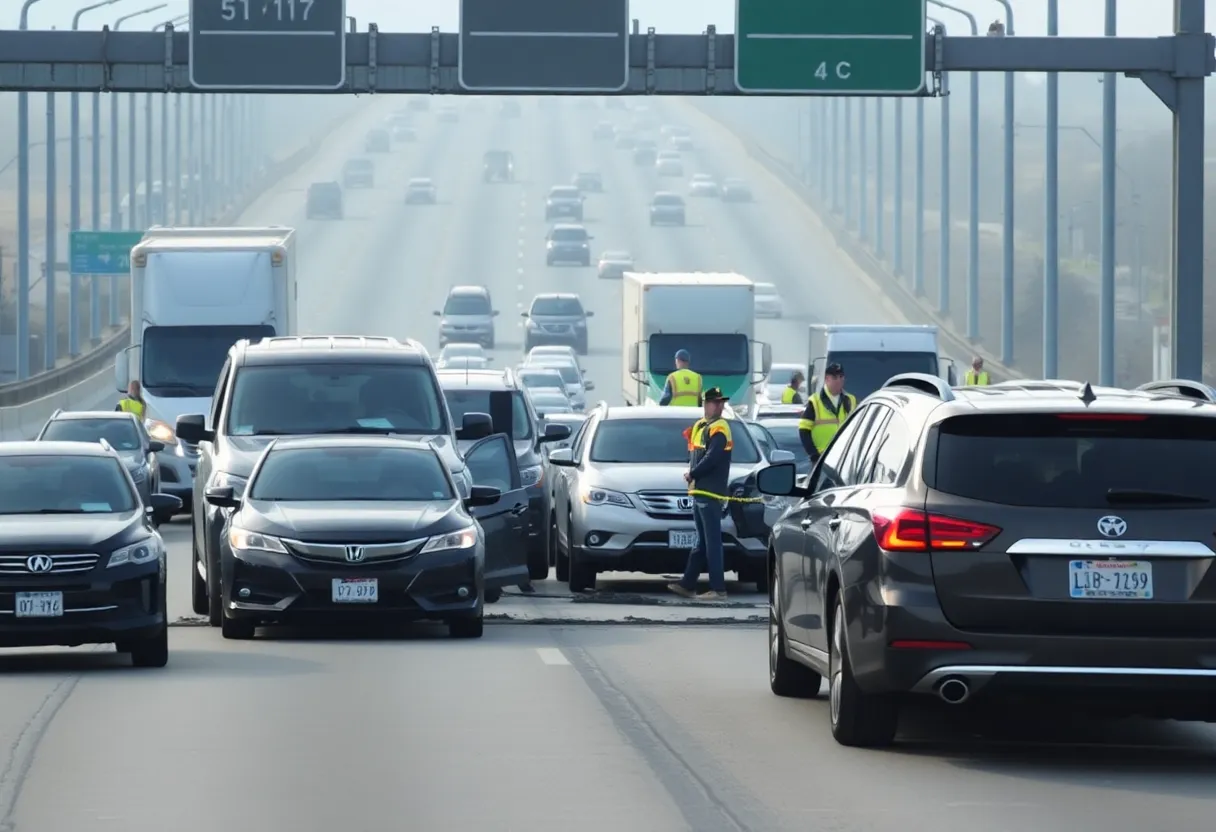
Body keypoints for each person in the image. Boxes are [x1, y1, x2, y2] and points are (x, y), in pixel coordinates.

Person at [668, 387, 733, 601]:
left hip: (710, 491)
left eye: (721, 402)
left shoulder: (720, 428)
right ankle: (688, 584)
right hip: (699, 491)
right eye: (715, 402)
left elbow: (713, 457)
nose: (720, 406)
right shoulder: (700, 426)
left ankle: (718, 588)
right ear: (705, 404)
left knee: (712, 541)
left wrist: (693, 473)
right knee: (702, 542)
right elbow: (694, 454)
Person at [798, 363, 857, 464]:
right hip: (822, 460)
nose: (839, 380)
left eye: (841, 377)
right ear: (826, 379)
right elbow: (803, 431)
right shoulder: (815, 401)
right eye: (834, 377)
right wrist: (814, 455)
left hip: (845, 459)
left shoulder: (850, 400)